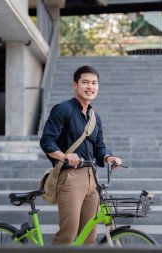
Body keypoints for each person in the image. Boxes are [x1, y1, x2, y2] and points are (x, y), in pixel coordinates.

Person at [40, 65, 122, 245]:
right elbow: (47, 141)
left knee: (89, 236)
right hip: (70, 177)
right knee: (67, 235)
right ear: (75, 85)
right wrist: (64, 156)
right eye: (85, 82)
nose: (90, 87)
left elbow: (99, 148)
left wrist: (109, 158)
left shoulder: (95, 117)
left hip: (92, 179)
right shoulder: (63, 109)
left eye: (94, 83)